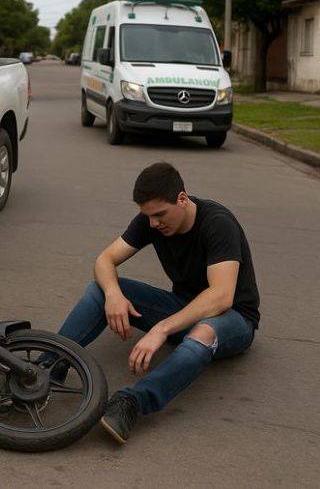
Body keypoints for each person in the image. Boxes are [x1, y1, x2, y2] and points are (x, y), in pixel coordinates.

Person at [58, 162, 259, 444]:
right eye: (148, 216)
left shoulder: (217, 223)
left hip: (233, 318)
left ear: (182, 199)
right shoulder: (151, 220)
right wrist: (114, 294)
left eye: (160, 214)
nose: (154, 223)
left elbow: (221, 296)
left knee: (203, 331)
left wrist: (161, 329)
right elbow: (105, 260)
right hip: (182, 307)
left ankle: (132, 403)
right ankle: (46, 366)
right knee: (101, 290)